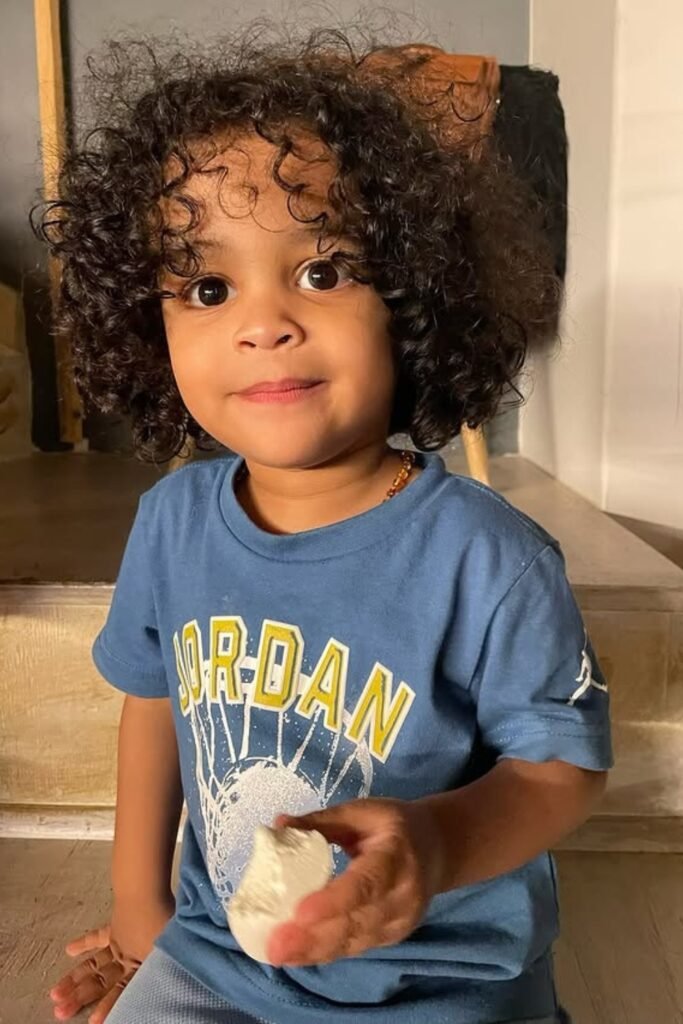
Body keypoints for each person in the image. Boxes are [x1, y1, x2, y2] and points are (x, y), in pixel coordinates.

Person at [34, 24, 612, 1024]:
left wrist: (438, 846)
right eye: (208, 287)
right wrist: (139, 913)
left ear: (412, 296)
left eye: (321, 270)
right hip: (220, 954)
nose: (263, 323)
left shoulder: (489, 558)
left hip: (436, 983)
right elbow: (155, 702)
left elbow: (557, 769)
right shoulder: (172, 522)